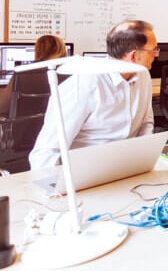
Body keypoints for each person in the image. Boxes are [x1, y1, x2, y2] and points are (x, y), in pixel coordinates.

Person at [29, 20, 159, 169]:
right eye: (153, 49)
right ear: (134, 55)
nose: (156, 54)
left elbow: (145, 124)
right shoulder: (83, 85)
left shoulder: (143, 77)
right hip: (85, 172)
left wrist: (144, 160)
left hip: (127, 167)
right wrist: (55, 190)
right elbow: (47, 152)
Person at [0, 35, 68, 117]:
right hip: (60, 128)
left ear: (37, 51)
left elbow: (3, 107)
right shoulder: (70, 73)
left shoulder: (22, 73)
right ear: (63, 50)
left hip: (25, 128)